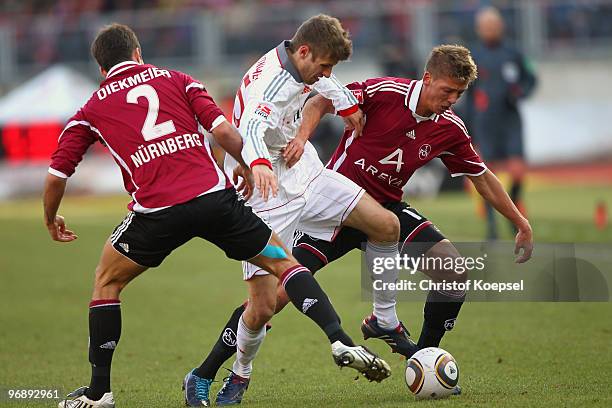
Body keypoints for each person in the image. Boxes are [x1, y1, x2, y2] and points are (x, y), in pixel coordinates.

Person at [44, 23, 389, 408]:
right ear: (139, 53)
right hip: (218, 203)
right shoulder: (179, 79)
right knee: (283, 269)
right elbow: (228, 131)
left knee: (106, 282)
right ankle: (331, 338)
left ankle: (99, 393)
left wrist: (50, 217)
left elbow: (58, 173)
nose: (326, 72)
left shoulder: (90, 108)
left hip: (159, 214)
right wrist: (249, 162)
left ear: (101, 67)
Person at [194, 44, 534, 399]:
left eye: (459, 94)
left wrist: (520, 222)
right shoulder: (386, 92)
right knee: (269, 302)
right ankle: (208, 370)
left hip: (386, 207)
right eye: (447, 90)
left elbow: (481, 177)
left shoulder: (450, 128)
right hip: (333, 210)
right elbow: (323, 100)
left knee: (453, 272)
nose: (451, 99)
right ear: (428, 78)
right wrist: (302, 136)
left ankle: (422, 359)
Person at [184, 14, 409, 406]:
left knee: (386, 225)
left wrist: (346, 103)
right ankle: (235, 375)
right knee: (263, 307)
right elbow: (251, 128)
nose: (326, 72)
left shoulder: (302, 62)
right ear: (302, 51)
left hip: (306, 173)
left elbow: (323, 79)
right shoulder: (270, 87)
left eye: (331, 67)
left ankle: (384, 319)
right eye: (323, 65)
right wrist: (253, 164)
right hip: (264, 189)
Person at [467, 6, 537, 240]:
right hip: (485, 122)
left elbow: (531, 79)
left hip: (510, 120)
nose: (490, 30)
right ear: (479, 30)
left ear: (501, 27)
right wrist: (469, 133)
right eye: (486, 27)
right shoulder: (473, 57)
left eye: (494, 26)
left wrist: (521, 92)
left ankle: (514, 207)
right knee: (487, 175)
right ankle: (491, 227)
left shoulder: (514, 53)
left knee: (517, 171)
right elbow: (467, 95)